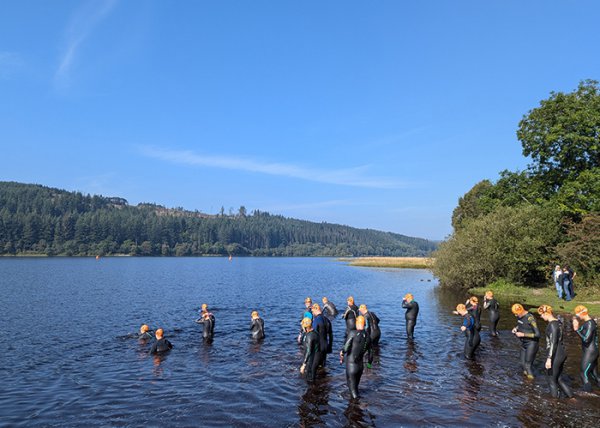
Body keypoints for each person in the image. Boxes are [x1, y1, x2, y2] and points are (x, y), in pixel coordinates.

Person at [537, 305, 572, 398]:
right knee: (559, 378)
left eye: (541, 314)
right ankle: (571, 398)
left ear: (546, 313)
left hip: (556, 354)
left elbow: (553, 343)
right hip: (561, 352)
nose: (541, 316)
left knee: (551, 380)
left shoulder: (552, 324)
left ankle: (554, 403)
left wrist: (549, 358)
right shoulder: (558, 322)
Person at [340, 315, 373, 399]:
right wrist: (369, 365)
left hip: (351, 366)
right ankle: (356, 406)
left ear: (357, 323)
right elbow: (371, 353)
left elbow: (346, 347)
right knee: (355, 387)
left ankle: (356, 408)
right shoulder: (368, 336)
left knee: (353, 390)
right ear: (364, 324)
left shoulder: (353, 333)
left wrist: (342, 352)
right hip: (360, 366)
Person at [572, 305, 599, 392]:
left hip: (590, 351)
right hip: (592, 351)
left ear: (582, 313)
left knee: (583, 373)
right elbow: (582, 332)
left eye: (577, 315)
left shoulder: (590, 324)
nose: (577, 317)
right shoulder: (587, 323)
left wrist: (576, 330)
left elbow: (586, 339)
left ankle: (588, 394)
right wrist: (576, 326)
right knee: (594, 374)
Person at [511, 303, 540, 379]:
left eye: (516, 314)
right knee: (523, 364)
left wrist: (523, 334)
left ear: (521, 311)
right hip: (524, 344)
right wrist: (516, 328)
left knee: (528, 366)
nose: (515, 316)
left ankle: (531, 385)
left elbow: (537, 334)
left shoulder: (530, 318)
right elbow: (521, 324)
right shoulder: (519, 317)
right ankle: (525, 382)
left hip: (532, 344)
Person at [300, 317, 320, 383]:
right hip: (315, 357)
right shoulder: (315, 332)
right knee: (312, 376)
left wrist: (304, 364)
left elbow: (309, 351)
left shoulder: (309, 336)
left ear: (306, 327)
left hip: (311, 359)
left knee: (309, 378)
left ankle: (311, 390)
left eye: (303, 326)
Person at [311, 304, 332, 368]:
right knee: (322, 365)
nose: (312, 313)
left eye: (312, 311)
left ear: (316, 309)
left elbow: (313, 335)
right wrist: (330, 346)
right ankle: (324, 377)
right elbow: (331, 335)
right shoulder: (327, 320)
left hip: (318, 347)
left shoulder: (316, 320)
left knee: (315, 366)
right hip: (325, 345)